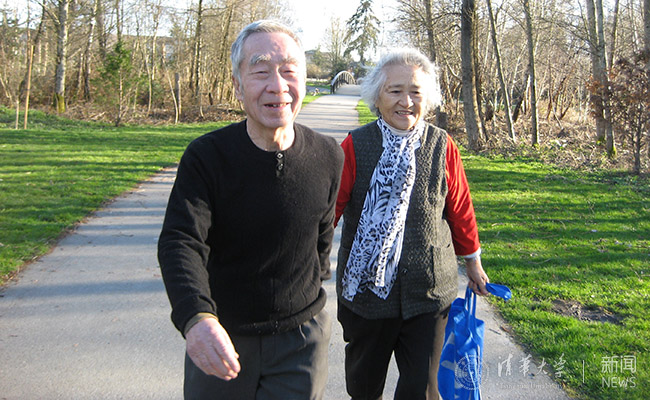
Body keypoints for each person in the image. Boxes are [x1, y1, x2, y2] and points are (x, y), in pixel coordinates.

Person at [158, 20, 344, 400]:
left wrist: (310, 297)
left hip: (301, 342)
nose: (278, 85)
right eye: (261, 72)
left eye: (289, 70)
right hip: (222, 337)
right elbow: (181, 241)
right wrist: (196, 317)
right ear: (237, 85)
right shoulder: (206, 157)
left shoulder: (329, 155)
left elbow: (321, 240)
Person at [334, 48, 490, 400]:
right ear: (377, 96)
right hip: (366, 297)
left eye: (416, 92)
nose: (406, 102)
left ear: (428, 99)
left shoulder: (442, 146)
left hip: (429, 293)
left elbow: (460, 208)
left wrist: (473, 262)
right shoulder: (355, 146)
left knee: (421, 387)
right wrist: (307, 260)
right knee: (364, 386)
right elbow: (330, 210)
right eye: (395, 91)